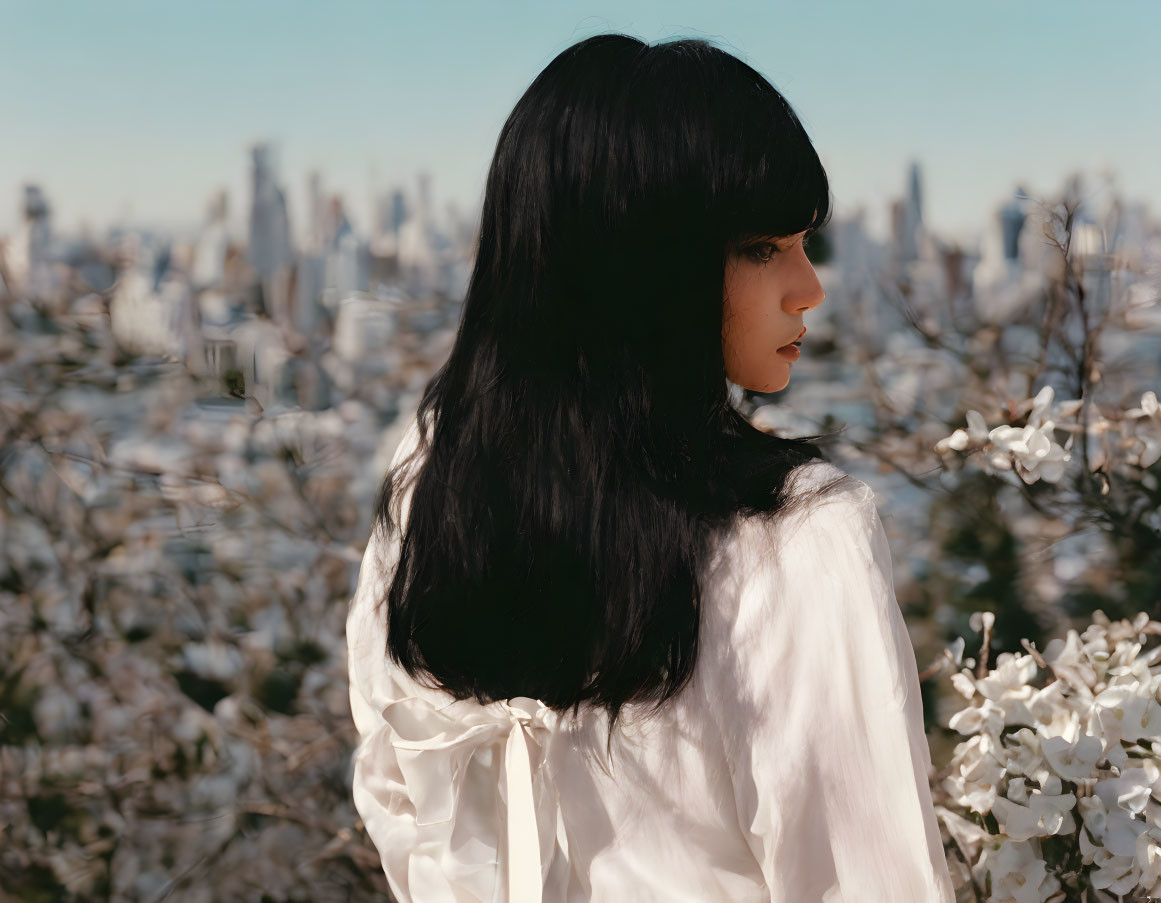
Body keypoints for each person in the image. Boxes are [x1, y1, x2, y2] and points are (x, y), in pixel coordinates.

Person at [346, 32, 956, 903]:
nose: (807, 287)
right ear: (647, 270)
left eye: (800, 243)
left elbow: (393, 785)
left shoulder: (433, 475)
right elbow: (867, 882)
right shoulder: (797, 542)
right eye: (760, 247)